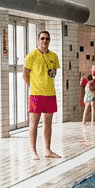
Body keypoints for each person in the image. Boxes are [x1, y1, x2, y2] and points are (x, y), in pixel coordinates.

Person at [23, 30, 62, 159]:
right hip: (36, 94)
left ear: (49, 41)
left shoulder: (54, 56)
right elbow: (25, 74)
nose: (45, 41)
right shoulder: (32, 55)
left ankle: (47, 150)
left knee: (48, 123)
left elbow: (53, 74)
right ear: (38, 40)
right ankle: (33, 151)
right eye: (42, 38)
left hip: (50, 93)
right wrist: (32, 87)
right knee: (34, 122)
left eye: (47, 39)